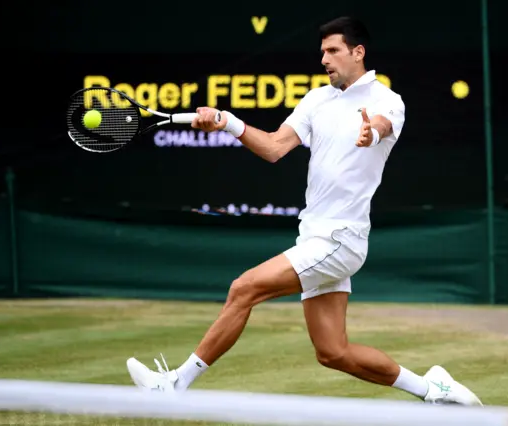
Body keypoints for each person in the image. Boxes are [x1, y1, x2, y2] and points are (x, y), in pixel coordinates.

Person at [126, 16, 482, 406]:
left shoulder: (385, 100)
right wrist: (228, 122)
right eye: (322, 52)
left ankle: (175, 384)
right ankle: (434, 389)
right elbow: (275, 147)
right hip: (314, 236)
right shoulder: (316, 99)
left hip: (340, 239)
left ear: (357, 52)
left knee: (244, 288)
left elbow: (381, 125)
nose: (325, 59)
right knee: (333, 352)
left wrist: (372, 132)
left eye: (333, 51)